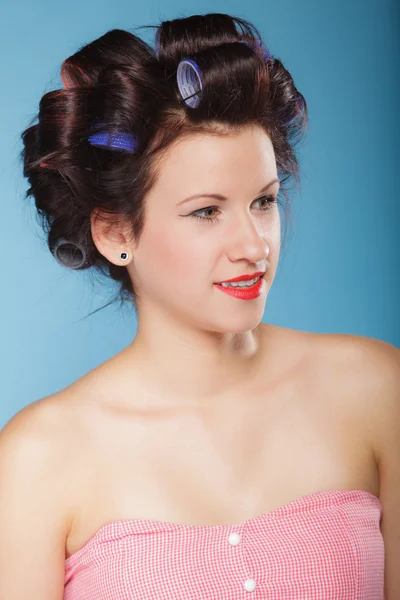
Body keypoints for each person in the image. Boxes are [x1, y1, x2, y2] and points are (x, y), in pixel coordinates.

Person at [0, 11, 399, 600]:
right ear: (115, 234)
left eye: (263, 202)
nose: (253, 246)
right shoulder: (37, 459)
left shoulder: (377, 390)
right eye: (206, 211)